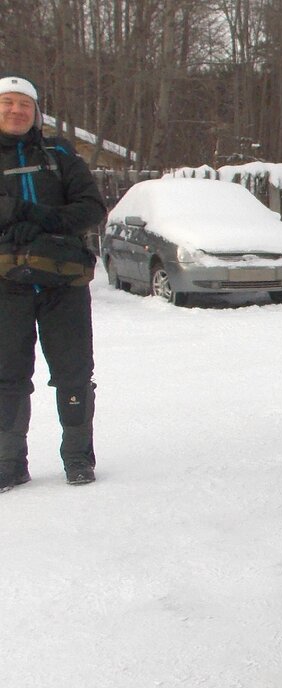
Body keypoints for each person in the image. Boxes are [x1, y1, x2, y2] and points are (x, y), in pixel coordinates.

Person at [0, 75, 106, 492]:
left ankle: (78, 456)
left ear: (36, 112)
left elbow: (90, 207)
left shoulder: (59, 153)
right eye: (7, 103)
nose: (15, 111)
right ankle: (9, 462)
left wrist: (40, 220)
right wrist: (10, 227)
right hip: (6, 286)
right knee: (7, 376)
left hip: (63, 284)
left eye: (24, 105)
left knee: (74, 373)